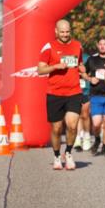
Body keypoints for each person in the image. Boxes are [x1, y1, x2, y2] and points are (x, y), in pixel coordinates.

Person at [37, 19, 86, 170]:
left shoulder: (77, 45)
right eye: (62, 32)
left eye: (67, 32)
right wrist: (55, 66)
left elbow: (79, 64)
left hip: (74, 91)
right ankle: (57, 155)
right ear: (56, 31)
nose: (65, 35)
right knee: (57, 129)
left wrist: (83, 70)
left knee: (72, 125)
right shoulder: (49, 47)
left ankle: (69, 153)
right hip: (55, 93)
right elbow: (40, 70)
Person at [74, 52, 93, 152]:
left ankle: (86, 136)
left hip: (85, 90)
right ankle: (77, 138)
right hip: (73, 90)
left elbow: (90, 72)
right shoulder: (70, 57)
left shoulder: (87, 58)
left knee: (85, 114)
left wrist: (82, 73)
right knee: (77, 114)